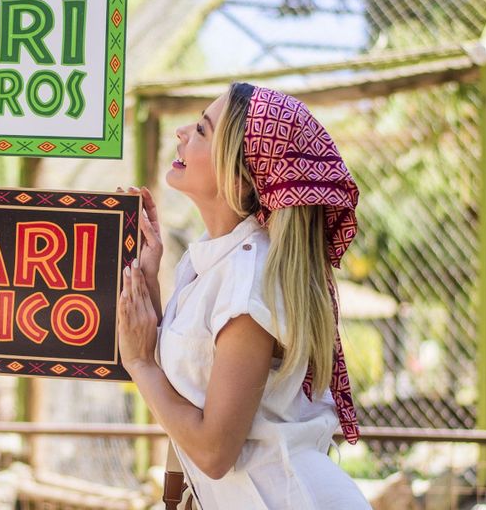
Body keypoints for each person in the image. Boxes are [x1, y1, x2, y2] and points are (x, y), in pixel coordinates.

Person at [118, 82, 371, 509]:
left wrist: (140, 362)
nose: (181, 132)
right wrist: (149, 285)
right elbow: (188, 389)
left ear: (237, 175)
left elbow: (215, 452)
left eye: (201, 130)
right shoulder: (214, 259)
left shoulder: (249, 280)